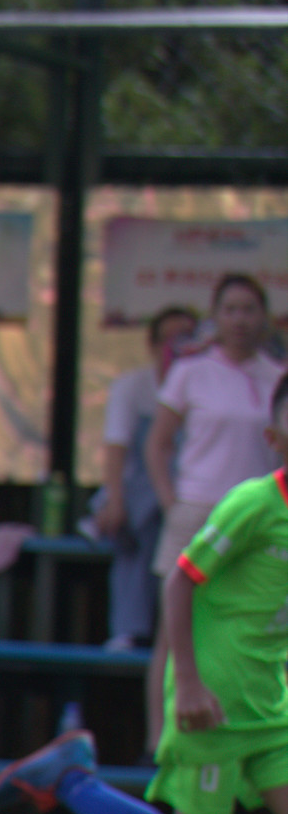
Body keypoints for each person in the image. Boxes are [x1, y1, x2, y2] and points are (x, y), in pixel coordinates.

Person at [0, 367, 288, 814]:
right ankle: (70, 778)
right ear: (274, 439)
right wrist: (190, 683)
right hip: (212, 709)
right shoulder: (252, 503)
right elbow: (180, 584)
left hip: (273, 711)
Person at [147, 274, 284, 757]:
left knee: (255, 625)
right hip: (199, 510)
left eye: (249, 309)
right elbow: (157, 445)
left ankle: (249, 735)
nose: (240, 319)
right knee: (173, 628)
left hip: (260, 515)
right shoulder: (191, 372)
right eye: (230, 309)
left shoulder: (276, 376)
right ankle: (159, 739)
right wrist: (172, 504)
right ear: (215, 316)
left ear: (265, 317)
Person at [94, 306, 198, 659]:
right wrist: (115, 501)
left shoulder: (206, 383)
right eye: (171, 339)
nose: (180, 347)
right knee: (142, 523)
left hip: (185, 494)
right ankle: (131, 630)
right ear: (152, 346)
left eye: (188, 338)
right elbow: (117, 448)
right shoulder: (132, 386)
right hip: (137, 494)